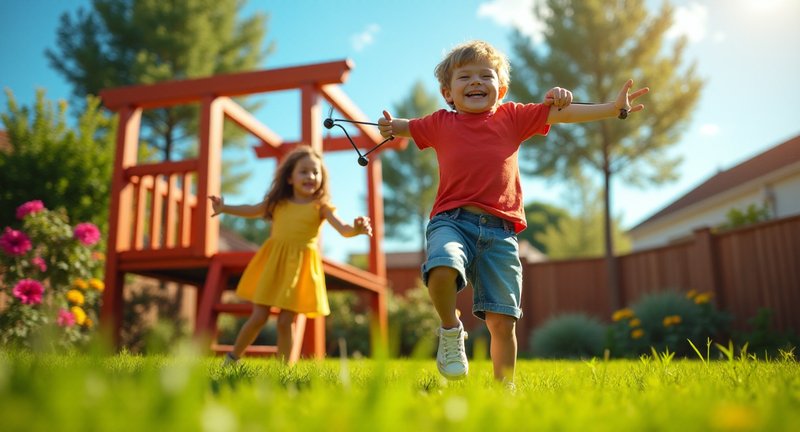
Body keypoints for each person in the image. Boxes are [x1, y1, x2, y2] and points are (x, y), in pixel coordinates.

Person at [377, 40, 648, 385]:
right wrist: (389, 127)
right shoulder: (440, 123)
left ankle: (505, 388)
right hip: (451, 221)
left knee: (502, 322)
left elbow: (559, 112)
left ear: (501, 89)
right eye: (465, 77)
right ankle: (450, 330)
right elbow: (405, 126)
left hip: (501, 233)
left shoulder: (512, 117)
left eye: (485, 76)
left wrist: (612, 108)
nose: (476, 82)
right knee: (441, 266)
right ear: (448, 93)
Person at [209, 145, 373, 364]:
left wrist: (356, 229)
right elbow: (252, 209)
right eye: (304, 171)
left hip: (299, 267)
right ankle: (232, 358)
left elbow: (343, 229)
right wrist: (225, 208)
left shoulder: (321, 207)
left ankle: (283, 369)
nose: (311, 176)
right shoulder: (278, 203)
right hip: (274, 262)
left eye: (316, 172)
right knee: (259, 316)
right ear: (289, 178)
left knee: (286, 321)